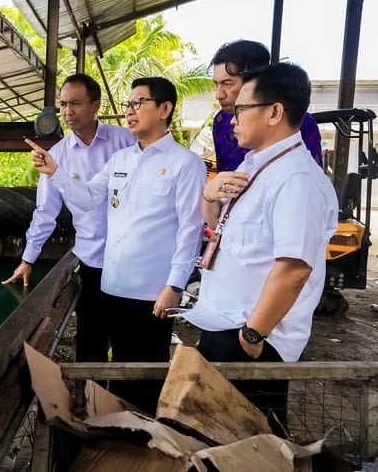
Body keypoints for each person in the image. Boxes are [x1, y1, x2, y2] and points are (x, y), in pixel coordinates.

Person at [26, 77, 206, 414]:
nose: (129, 110)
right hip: (113, 285)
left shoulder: (186, 164)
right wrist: (56, 172)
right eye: (128, 104)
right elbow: (88, 198)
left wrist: (175, 285)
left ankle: (140, 445)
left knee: (145, 372)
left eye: (139, 103)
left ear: (164, 109)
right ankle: (110, 434)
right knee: (116, 366)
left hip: (152, 292)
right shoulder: (120, 160)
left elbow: (190, 230)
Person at [183, 62, 338, 431]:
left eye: (241, 108)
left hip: (251, 339)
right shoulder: (255, 167)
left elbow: (295, 270)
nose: (232, 118)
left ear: (274, 112)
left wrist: (252, 336)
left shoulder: (296, 179)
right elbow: (214, 226)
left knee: (248, 445)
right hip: (225, 324)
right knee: (215, 441)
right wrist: (208, 193)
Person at [2, 73, 135, 364]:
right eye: (63, 104)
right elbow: (45, 212)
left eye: (76, 103)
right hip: (93, 260)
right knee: (91, 340)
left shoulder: (125, 142)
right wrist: (28, 259)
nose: (67, 111)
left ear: (96, 105)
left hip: (133, 259)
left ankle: (129, 404)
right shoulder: (57, 155)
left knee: (129, 338)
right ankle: (90, 401)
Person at [210, 40, 323, 172]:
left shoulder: (298, 122)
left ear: (255, 79)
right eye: (216, 84)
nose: (219, 95)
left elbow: (308, 176)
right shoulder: (221, 121)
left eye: (228, 84)